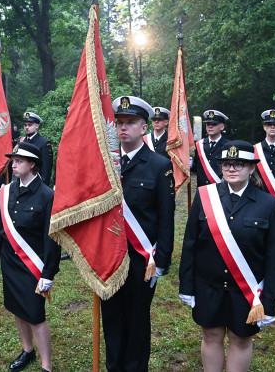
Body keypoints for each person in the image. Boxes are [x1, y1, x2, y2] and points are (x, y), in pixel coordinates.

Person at [179, 140, 275, 372]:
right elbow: (190, 244)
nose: (232, 169)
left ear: (251, 168)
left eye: (239, 164)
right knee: (211, 336)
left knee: (240, 339)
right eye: (227, 164)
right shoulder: (205, 196)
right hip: (208, 285)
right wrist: (186, 285)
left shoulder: (268, 204)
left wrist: (270, 301)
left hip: (246, 290)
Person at [101, 96, 176, 371]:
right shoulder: (106, 163)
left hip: (142, 260)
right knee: (111, 316)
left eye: (131, 122)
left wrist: (162, 262)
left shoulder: (159, 165)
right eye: (120, 123)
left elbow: (166, 217)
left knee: (136, 318)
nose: (124, 128)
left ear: (144, 127)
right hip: (108, 257)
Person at [0, 142, 61, 372]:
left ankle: (46, 366)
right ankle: (27, 350)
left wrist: (49, 272)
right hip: (11, 262)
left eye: (19, 161)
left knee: (36, 315)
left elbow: (52, 239)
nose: (14, 164)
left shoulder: (47, 195)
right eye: (13, 160)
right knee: (17, 308)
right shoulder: (7, 190)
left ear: (33, 164)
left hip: (34, 267)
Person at [192, 110, 230, 187]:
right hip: (202, 190)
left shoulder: (228, 145)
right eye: (208, 124)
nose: (210, 126)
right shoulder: (199, 144)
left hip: (221, 190)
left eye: (214, 124)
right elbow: (195, 167)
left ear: (222, 127)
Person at [20, 112, 53, 186]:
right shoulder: (22, 142)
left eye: (30, 125)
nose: (27, 127)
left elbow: (46, 169)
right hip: (22, 183)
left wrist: (43, 188)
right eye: (25, 125)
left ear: (37, 126)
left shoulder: (44, 143)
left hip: (37, 185)